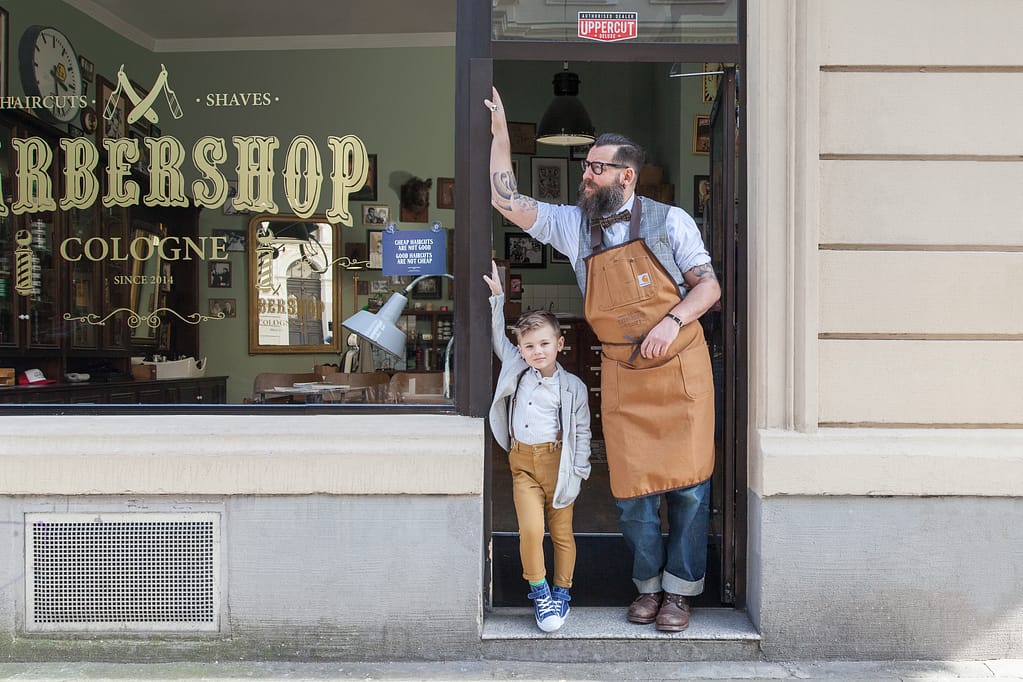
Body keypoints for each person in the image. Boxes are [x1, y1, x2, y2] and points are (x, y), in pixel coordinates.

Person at [485, 87, 721, 632]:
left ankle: (680, 593)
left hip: (680, 367)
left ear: (626, 176)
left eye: (596, 168)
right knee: (632, 493)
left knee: (689, 488)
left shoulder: (671, 221)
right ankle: (648, 588)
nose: (585, 175)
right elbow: (506, 201)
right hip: (623, 371)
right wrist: (500, 133)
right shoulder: (573, 225)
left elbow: (707, 287)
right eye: (586, 166)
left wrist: (672, 320)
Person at [484, 260, 592, 633]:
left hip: (559, 465)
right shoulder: (516, 369)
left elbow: (582, 431)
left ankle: (562, 591)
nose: (537, 351)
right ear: (520, 349)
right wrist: (498, 299)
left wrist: (579, 471)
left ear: (559, 344)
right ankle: (539, 591)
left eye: (545, 344)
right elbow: (497, 337)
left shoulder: (573, 387)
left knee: (562, 533)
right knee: (530, 530)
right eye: (529, 346)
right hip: (523, 465)